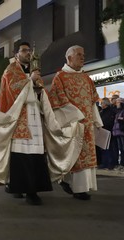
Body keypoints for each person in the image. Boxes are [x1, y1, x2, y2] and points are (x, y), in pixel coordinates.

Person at [0, 42, 53, 205]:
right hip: (19, 116)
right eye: (24, 50)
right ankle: (21, 187)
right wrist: (30, 80)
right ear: (16, 54)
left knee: (35, 155)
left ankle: (32, 190)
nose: (28, 53)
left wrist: (39, 88)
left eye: (29, 50)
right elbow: (13, 90)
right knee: (21, 156)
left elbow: (41, 90)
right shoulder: (11, 70)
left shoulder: (34, 71)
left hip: (35, 115)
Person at [48, 45, 103, 200]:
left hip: (87, 124)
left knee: (86, 156)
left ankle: (79, 186)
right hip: (73, 124)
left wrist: (96, 122)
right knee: (73, 155)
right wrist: (75, 117)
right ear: (69, 58)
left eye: (83, 55)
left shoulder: (87, 78)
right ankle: (78, 189)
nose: (82, 57)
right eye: (79, 55)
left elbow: (92, 102)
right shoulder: (60, 77)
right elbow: (58, 101)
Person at [99, 97, 116, 169]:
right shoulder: (102, 112)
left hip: (108, 132)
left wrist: (103, 125)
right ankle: (104, 163)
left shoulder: (111, 111)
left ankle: (110, 164)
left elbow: (110, 121)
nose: (101, 104)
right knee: (103, 148)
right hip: (102, 132)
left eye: (102, 103)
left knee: (109, 149)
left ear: (105, 104)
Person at [112, 98, 124, 171]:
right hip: (117, 132)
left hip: (122, 131)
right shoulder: (118, 112)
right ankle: (121, 164)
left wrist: (121, 119)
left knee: (123, 149)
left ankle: (122, 164)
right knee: (120, 148)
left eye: (118, 102)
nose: (116, 104)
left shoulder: (122, 111)